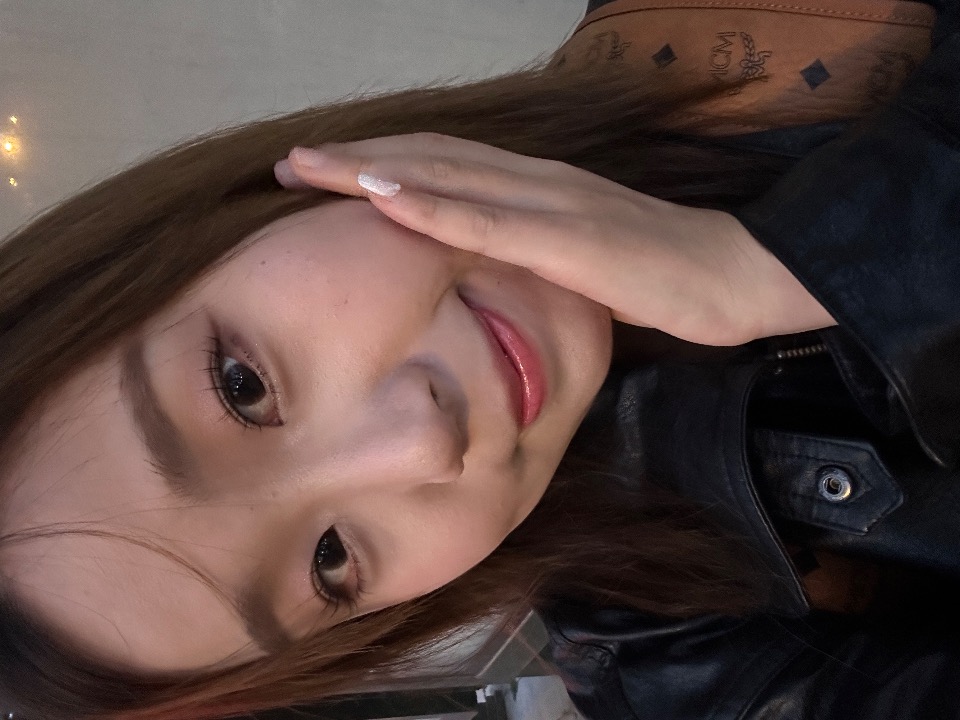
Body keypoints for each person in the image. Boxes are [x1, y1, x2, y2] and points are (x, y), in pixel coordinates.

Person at [0, 0, 957, 718]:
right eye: (331, 563)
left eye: (240, 387)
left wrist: (815, 257)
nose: (422, 446)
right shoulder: (663, 648)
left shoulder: (733, 30)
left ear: (201, 227)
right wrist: (772, 279)